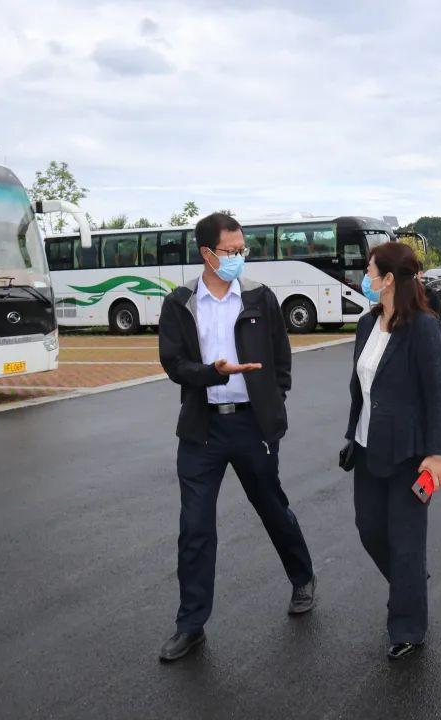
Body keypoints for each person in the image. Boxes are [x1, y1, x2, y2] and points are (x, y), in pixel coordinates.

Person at [157, 213, 315, 662]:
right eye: (230, 251)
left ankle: (303, 577)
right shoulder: (181, 303)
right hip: (202, 428)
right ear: (207, 254)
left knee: (271, 506)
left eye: (242, 249)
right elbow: (173, 364)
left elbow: (281, 357)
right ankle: (191, 625)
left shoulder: (260, 298)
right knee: (196, 526)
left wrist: (272, 400)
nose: (238, 257)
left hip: (251, 425)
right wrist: (212, 373)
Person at [345, 242, 441, 661]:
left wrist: (436, 453)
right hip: (368, 448)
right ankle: (411, 586)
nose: (365, 279)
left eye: (370, 271)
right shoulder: (368, 324)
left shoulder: (423, 327)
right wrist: (352, 433)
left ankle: (407, 626)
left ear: (388, 279)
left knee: (405, 542)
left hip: (408, 454)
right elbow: (361, 388)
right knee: (370, 531)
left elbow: (435, 394)